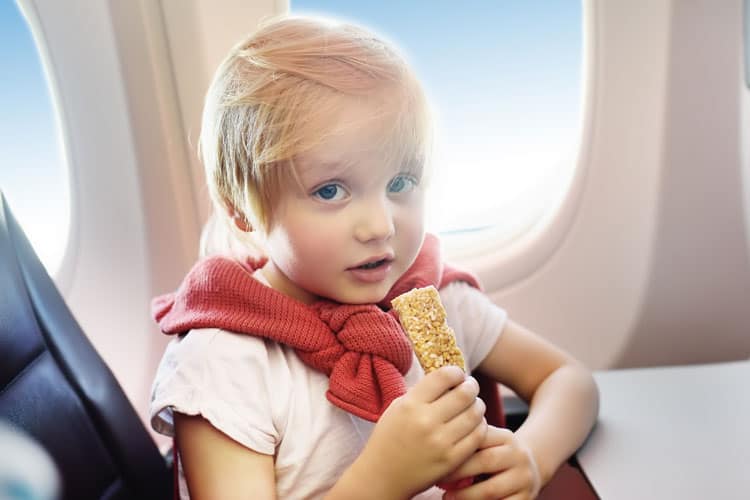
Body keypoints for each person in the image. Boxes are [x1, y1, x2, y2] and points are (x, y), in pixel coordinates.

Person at [150, 14, 599, 500]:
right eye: (330, 190)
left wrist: (532, 455)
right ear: (243, 210)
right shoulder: (225, 363)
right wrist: (382, 480)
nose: (381, 225)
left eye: (400, 183)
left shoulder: (430, 297)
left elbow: (569, 380)